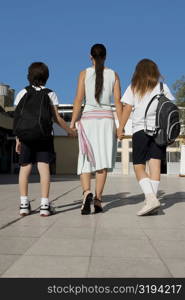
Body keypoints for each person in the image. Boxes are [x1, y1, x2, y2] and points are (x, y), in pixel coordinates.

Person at [15, 62, 75, 217]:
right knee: (44, 168)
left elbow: (18, 118)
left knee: (25, 168)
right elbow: (56, 118)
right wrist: (69, 131)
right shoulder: (50, 93)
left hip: (25, 136)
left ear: (29, 76)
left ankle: (23, 204)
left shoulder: (22, 92)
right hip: (44, 137)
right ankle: (44, 205)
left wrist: (18, 139)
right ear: (46, 77)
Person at [117, 59, 175, 216]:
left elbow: (127, 109)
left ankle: (151, 199)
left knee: (138, 166)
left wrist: (120, 128)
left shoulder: (134, 87)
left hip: (140, 130)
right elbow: (171, 107)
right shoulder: (163, 87)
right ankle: (152, 201)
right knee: (155, 164)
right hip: (160, 130)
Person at [70, 44, 122, 215]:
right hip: (107, 120)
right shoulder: (114, 75)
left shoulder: (83, 74)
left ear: (90, 57)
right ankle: (98, 200)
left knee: (86, 159)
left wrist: (71, 123)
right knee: (103, 162)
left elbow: (78, 100)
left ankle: (86, 192)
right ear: (106, 57)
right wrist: (120, 126)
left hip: (88, 121)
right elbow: (118, 103)